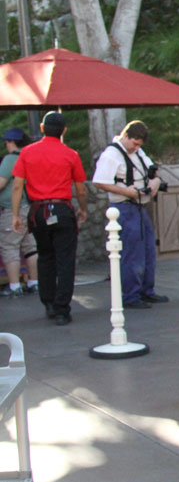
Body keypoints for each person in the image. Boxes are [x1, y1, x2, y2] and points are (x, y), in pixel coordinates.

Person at [10, 111, 88, 325]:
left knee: (45, 256)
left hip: (38, 212)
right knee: (65, 260)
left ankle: (49, 303)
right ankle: (63, 309)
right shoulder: (71, 154)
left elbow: (18, 185)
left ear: (42, 128)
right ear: (64, 131)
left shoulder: (26, 152)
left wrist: (16, 214)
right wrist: (83, 209)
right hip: (62, 210)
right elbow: (80, 189)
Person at [92, 120, 170, 310]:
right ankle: (130, 295)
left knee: (147, 250)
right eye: (134, 143)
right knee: (132, 253)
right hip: (124, 207)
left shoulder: (137, 152)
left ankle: (146, 290)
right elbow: (100, 182)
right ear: (125, 136)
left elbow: (153, 171)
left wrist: (155, 183)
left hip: (139, 206)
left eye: (139, 145)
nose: (136, 148)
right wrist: (128, 192)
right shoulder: (111, 155)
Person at [0, 128, 38, 296]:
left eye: (6, 142)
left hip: (13, 209)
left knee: (10, 246)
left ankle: (15, 286)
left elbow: (1, 183)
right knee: (31, 246)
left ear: (11, 142)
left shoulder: (11, 159)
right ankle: (34, 282)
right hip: (32, 206)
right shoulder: (31, 155)